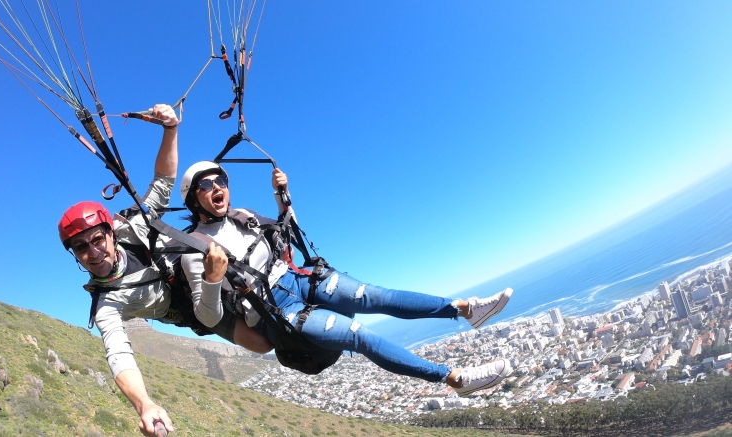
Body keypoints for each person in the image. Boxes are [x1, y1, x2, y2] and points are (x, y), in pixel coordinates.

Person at [179, 161, 515, 396]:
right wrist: (212, 279)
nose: (217, 188)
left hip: (299, 279)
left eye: (220, 181)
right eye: (205, 185)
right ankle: (455, 379)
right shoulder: (194, 249)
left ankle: (464, 310)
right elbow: (206, 315)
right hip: (276, 311)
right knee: (361, 337)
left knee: (375, 295)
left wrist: (282, 195)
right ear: (194, 198)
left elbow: (286, 231)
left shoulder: (245, 216)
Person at [57, 105, 272, 437]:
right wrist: (144, 404)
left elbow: (162, 184)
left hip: (204, 267)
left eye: (97, 239)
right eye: (81, 248)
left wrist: (170, 129)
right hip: (194, 309)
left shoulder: (133, 227)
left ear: (110, 233)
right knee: (260, 344)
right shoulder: (107, 303)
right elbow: (117, 354)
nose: (93, 252)